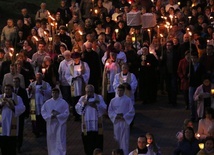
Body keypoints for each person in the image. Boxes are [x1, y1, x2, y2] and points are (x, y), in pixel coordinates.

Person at [75, 84, 107, 155]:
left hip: (97, 126)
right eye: (88, 92)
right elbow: (77, 108)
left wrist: (96, 106)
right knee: (88, 144)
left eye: (91, 91)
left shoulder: (99, 98)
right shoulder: (82, 98)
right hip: (87, 125)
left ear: (93, 91)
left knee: (97, 143)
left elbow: (104, 108)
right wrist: (84, 104)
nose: (89, 93)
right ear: (85, 92)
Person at [41, 88, 70, 155]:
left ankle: (61, 153)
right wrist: (50, 116)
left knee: (60, 139)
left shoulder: (63, 102)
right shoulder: (47, 103)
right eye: (53, 93)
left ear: (58, 93)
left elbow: (66, 113)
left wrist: (58, 116)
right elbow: (43, 112)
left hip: (60, 124)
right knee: (52, 139)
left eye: (56, 93)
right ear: (51, 93)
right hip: (51, 124)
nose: (54, 94)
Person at [108, 84, 135, 155]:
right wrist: (115, 116)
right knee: (117, 138)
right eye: (118, 90)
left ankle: (125, 153)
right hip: (117, 122)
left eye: (121, 91)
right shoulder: (113, 100)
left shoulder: (128, 100)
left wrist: (125, 116)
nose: (119, 92)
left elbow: (131, 111)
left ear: (124, 91)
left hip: (124, 122)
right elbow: (110, 111)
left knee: (125, 139)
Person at [0, 84, 25, 155]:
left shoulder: (17, 98)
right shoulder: (1, 97)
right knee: (3, 143)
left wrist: (12, 107)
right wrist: (1, 104)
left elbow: (22, 108)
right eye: (6, 89)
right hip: (2, 123)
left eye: (9, 89)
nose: (7, 91)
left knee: (11, 144)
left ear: (12, 90)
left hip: (12, 123)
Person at [65, 52, 90, 121]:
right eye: (74, 59)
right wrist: (72, 78)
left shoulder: (84, 65)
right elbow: (67, 75)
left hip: (82, 84)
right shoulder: (70, 66)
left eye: (77, 58)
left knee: (82, 99)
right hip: (74, 86)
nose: (75, 60)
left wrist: (82, 76)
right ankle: (76, 115)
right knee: (75, 100)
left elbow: (87, 73)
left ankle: (83, 113)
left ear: (79, 58)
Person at [28, 72, 52, 137]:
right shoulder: (32, 84)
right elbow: (28, 93)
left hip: (42, 103)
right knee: (34, 117)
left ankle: (44, 130)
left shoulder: (46, 84)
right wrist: (29, 91)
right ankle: (36, 131)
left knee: (42, 116)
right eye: (37, 77)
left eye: (39, 77)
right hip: (34, 103)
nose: (38, 79)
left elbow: (50, 93)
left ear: (42, 77)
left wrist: (44, 91)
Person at [13, 77, 29, 153]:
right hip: (12, 115)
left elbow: (26, 102)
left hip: (20, 114)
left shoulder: (23, 91)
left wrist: (26, 113)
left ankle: (19, 145)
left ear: (19, 82)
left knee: (20, 130)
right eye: (14, 82)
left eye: (17, 82)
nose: (15, 83)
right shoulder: (10, 91)